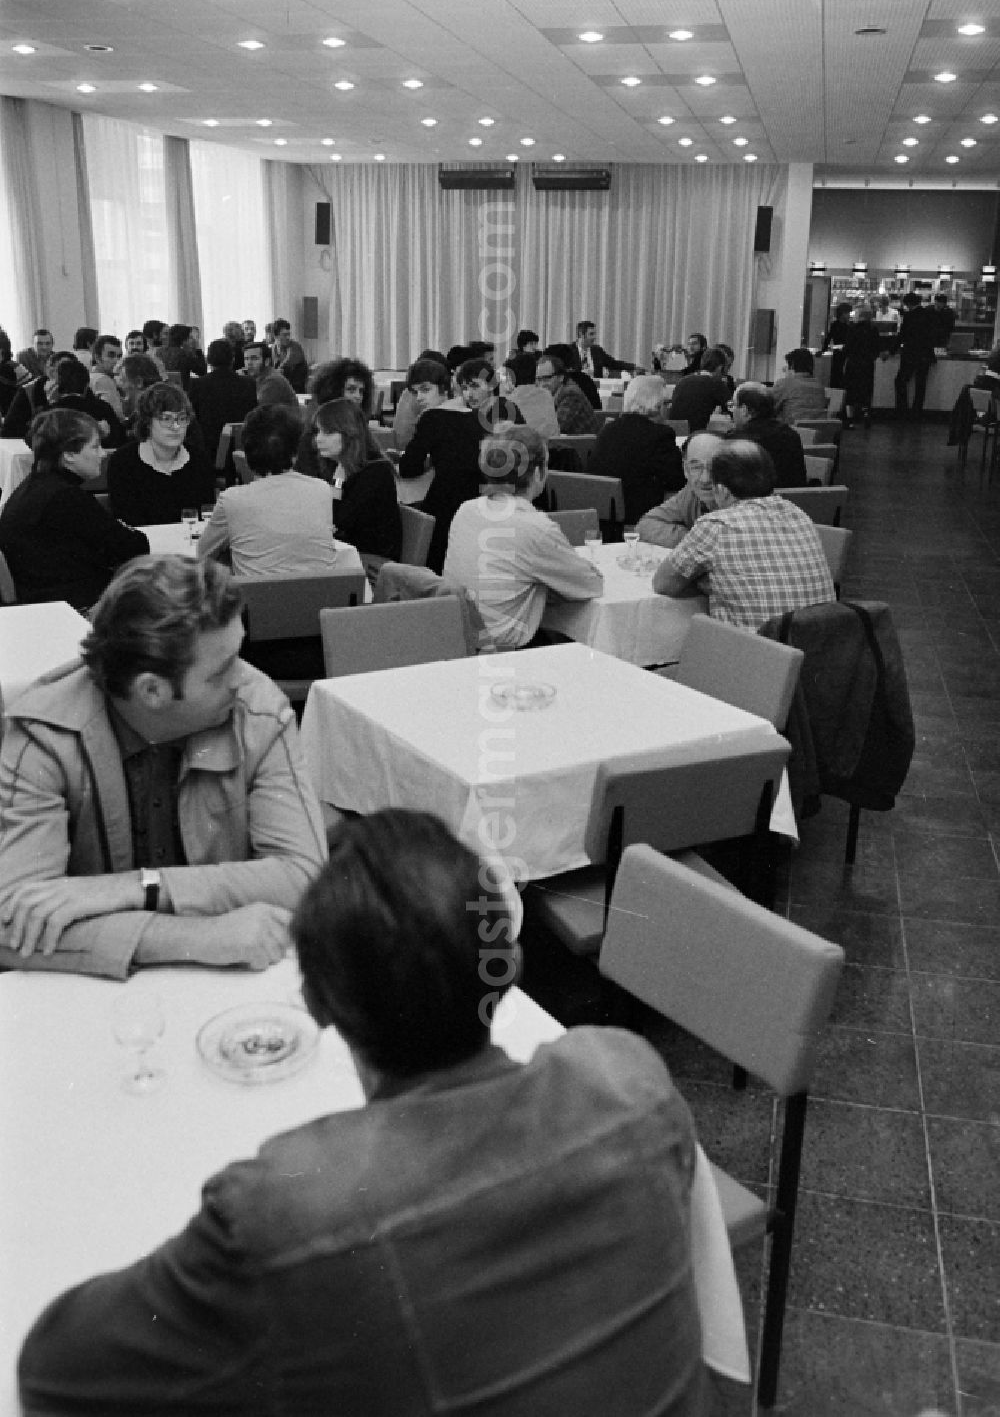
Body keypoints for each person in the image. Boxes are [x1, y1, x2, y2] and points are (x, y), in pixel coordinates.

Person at [17, 808, 706, 1416]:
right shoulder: (628, 1078)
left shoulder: (289, 1209)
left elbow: (54, 1370)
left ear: (315, 1005)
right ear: (510, 966)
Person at [0, 556, 326, 981]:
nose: (245, 679)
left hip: (233, 987)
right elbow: (10, 921)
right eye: (222, 670)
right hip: (92, 1001)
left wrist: (135, 887)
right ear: (152, 690)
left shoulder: (259, 714)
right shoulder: (45, 736)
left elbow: (304, 878)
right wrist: (199, 938)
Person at [444, 427, 603, 650]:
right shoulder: (536, 529)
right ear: (538, 473)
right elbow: (591, 585)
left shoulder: (466, 510)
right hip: (505, 651)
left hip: (457, 636)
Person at [653, 439, 835, 628]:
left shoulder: (716, 526)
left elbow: (663, 584)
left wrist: (704, 579)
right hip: (818, 647)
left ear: (722, 490)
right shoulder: (799, 514)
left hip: (753, 651)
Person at [0, 409, 148, 609]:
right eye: (95, 447)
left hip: (40, 599)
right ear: (69, 455)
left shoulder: (31, 487)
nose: (103, 454)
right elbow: (134, 548)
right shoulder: (65, 498)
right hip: (72, 606)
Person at [399, 358, 522, 572]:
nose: (419, 398)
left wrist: (430, 461)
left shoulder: (433, 418)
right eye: (465, 388)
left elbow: (409, 468)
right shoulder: (493, 416)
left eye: (425, 390)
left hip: (446, 514)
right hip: (491, 509)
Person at [199, 403, 341, 577]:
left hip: (258, 601)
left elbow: (203, 554)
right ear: (295, 451)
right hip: (324, 598)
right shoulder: (322, 489)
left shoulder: (232, 500)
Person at [298, 396, 401, 561]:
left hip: (372, 563)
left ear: (349, 434)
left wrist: (338, 479)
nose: (318, 439)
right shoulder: (341, 466)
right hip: (348, 553)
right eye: (318, 431)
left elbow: (339, 519)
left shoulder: (376, 472)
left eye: (328, 432)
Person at [107, 381, 208, 525]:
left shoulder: (199, 460)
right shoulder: (123, 463)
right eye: (166, 419)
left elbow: (204, 520)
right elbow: (127, 521)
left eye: (182, 418)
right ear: (147, 422)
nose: (176, 427)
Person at [590, 378, 684, 522]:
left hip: (604, 515)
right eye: (667, 403)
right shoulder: (660, 434)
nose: (669, 408)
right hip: (641, 518)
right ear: (657, 405)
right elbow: (678, 480)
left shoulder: (607, 430)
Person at [637, 430, 724, 548]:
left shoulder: (742, 500)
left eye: (714, 467)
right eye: (696, 467)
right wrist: (694, 539)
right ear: (685, 469)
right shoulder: (691, 493)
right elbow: (645, 525)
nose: (705, 479)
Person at [190, 337, 257, 468]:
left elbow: (193, 417)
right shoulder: (248, 383)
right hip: (242, 446)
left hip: (209, 448)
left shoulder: (198, 384)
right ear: (232, 359)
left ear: (208, 360)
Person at [728, 382, 807, 486]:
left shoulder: (735, 440)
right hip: (791, 499)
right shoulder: (792, 435)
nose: (732, 411)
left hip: (752, 500)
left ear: (744, 410)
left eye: (733, 405)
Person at [891, 291, 938, 420]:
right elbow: (932, 335)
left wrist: (892, 350)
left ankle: (902, 411)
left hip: (910, 354)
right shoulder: (929, 315)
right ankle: (917, 413)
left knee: (900, 381)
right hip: (925, 355)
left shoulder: (909, 316)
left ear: (909, 304)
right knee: (920, 384)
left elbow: (902, 335)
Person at [391, 355, 451, 449]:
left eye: (425, 390)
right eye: (415, 392)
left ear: (444, 389)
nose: (419, 398)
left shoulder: (459, 420)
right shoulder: (425, 420)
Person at [665, 345, 730, 431]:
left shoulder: (683, 380)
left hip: (675, 432)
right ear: (720, 368)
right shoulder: (716, 384)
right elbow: (732, 409)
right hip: (695, 435)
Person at [535, 351, 596, 434]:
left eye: (546, 378)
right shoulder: (552, 393)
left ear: (561, 377)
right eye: (539, 379)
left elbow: (554, 428)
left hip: (581, 445)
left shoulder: (570, 395)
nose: (541, 384)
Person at [842, 304, 882, 426]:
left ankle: (850, 420)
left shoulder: (852, 328)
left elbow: (847, 348)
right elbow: (877, 348)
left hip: (853, 363)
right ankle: (866, 414)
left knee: (851, 391)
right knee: (866, 390)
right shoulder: (873, 329)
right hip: (868, 364)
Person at [770, 347, 828, 425]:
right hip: (816, 433)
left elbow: (769, 409)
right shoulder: (819, 386)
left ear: (792, 366)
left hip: (790, 432)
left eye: (786, 366)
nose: (784, 369)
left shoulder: (785, 384)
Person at [242, 341, 298, 407]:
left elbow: (258, 410)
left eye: (254, 358)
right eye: (246, 359)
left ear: (267, 361)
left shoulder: (272, 381)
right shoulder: (258, 378)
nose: (249, 363)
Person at [88, 334, 124, 418]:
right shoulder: (103, 380)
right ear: (97, 358)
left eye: (119, 356)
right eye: (111, 355)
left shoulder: (89, 376)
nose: (116, 361)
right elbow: (116, 415)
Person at [821, 302, 852, 389]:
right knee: (839, 374)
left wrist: (824, 349)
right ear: (843, 314)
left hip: (838, 353)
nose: (849, 315)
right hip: (841, 353)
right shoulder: (846, 327)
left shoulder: (835, 325)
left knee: (836, 373)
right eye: (847, 313)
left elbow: (829, 337)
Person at [273, 317, 309, 391]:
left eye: (289, 334)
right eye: (284, 335)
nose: (288, 337)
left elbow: (284, 367)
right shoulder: (273, 348)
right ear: (276, 336)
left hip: (296, 388)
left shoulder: (295, 347)